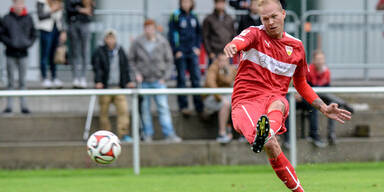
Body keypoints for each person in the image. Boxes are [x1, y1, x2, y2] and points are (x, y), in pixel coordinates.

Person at [223, 0, 351, 191]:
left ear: (283, 14)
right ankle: (264, 133)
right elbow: (240, 41)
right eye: (265, 18)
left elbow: (301, 84)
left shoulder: (297, 47)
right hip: (246, 102)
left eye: (274, 16)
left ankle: (267, 134)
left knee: (279, 107)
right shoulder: (254, 33)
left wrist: (323, 107)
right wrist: (233, 46)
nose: (270, 22)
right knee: (269, 141)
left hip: (273, 101)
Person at [129, 19, 182, 143]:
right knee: (145, 109)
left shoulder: (162, 42)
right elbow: (131, 60)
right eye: (147, 28)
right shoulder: (137, 42)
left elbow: (169, 61)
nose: (149, 30)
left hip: (159, 81)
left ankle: (169, 134)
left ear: (155, 28)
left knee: (163, 107)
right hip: (144, 82)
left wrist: (165, 77)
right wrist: (136, 74)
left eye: (151, 28)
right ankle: (148, 134)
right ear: (144, 29)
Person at [92, 29, 134, 142]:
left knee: (123, 110)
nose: (110, 40)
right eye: (108, 38)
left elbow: (125, 67)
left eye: (112, 38)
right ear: (105, 39)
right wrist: (98, 81)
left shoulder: (120, 51)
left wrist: (128, 81)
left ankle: (123, 134)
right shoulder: (99, 51)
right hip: (105, 87)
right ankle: (106, 136)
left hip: (118, 86)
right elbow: (97, 67)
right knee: (104, 112)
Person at [168, 0, 204, 117]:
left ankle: (199, 107)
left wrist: (197, 47)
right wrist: (176, 50)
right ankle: (183, 107)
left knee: (196, 79)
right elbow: (172, 33)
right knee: (182, 79)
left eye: (188, 2)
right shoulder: (176, 15)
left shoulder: (194, 15)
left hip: (192, 51)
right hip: (181, 52)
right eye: (184, 2)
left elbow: (199, 33)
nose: (186, 4)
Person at [0, 0, 37, 114]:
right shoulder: (6, 18)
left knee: (23, 82)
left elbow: (34, 34)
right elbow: (1, 34)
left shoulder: (28, 18)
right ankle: (9, 107)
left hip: (23, 54)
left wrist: (26, 43)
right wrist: (11, 43)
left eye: (21, 3)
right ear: (13, 4)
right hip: (10, 53)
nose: (19, 6)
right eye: (17, 3)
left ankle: (24, 106)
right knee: (10, 82)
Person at [204, 53, 236, 143]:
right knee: (225, 104)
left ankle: (243, 133)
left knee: (240, 103)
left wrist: (226, 71)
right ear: (217, 60)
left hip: (226, 95)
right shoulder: (213, 68)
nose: (223, 63)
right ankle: (222, 133)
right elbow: (211, 84)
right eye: (221, 60)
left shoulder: (231, 69)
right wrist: (219, 98)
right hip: (212, 97)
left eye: (225, 61)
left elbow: (231, 81)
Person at [36, 0, 66, 89]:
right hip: (45, 30)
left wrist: (63, 31)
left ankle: (54, 77)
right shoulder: (41, 1)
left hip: (56, 29)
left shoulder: (59, 1)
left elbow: (62, 18)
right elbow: (40, 16)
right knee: (45, 54)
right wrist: (52, 10)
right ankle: (44, 78)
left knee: (54, 55)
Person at [65, 0, 94, 88]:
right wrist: (81, 10)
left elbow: (91, 10)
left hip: (85, 24)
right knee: (75, 52)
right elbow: (69, 9)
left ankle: (83, 77)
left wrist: (78, 8)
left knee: (85, 52)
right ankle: (75, 78)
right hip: (73, 24)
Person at [203, 0, 235, 64]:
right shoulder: (208, 19)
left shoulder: (230, 18)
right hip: (214, 54)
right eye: (218, 2)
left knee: (229, 73)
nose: (220, 4)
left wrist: (232, 50)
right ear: (215, 4)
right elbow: (205, 37)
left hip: (227, 53)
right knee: (213, 73)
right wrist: (210, 52)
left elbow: (233, 35)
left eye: (222, 2)